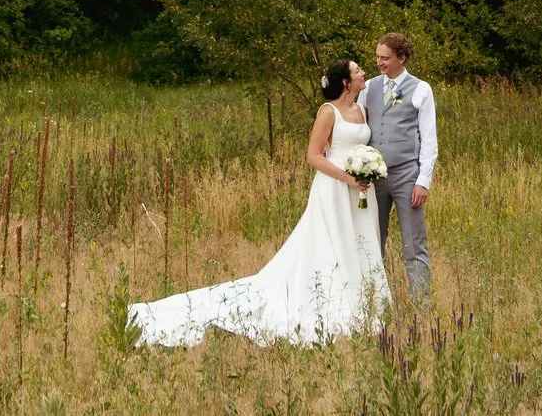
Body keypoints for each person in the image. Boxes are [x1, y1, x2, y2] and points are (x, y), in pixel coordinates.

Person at [127, 57, 391, 346]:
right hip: (336, 188)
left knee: (360, 242)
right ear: (345, 81)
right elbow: (313, 156)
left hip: (361, 190)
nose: (363, 72)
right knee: (333, 244)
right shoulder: (329, 112)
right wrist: (348, 178)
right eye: (357, 70)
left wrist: (368, 168)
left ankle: (366, 302)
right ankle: (335, 302)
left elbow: (364, 144)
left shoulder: (362, 109)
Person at [360, 32, 436, 298]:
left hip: (407, 176)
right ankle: (375, 301)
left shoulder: (421, 89)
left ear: (401, 58)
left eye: (385, 58)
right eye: (377, 56)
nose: (379, 62)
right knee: (371, 241)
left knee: (414, 244)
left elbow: (429, 139)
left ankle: (422, 306)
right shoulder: (367, 87)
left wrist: (422, 181)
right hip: (373, 178)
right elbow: (357, 125)